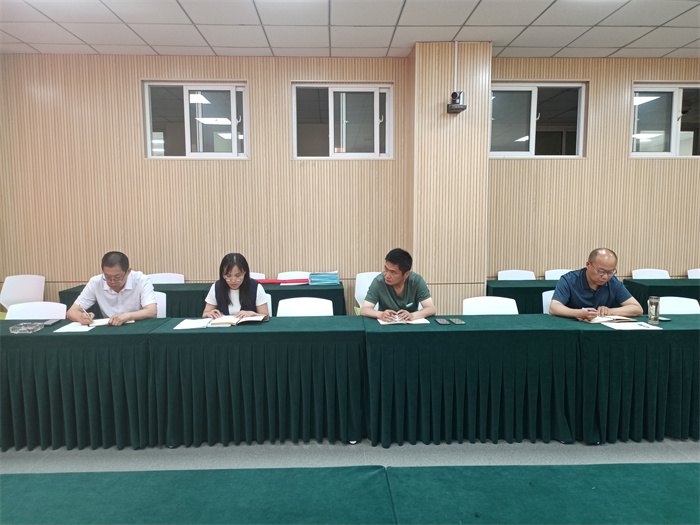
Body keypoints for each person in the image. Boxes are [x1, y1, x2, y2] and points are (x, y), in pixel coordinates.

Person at [549, 248, 643, 320]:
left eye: (611, 272)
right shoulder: (569, 280)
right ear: (588, 265)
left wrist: (609, 311)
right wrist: (579, 313)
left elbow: (637, 309)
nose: (605, 277)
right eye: (601, 271)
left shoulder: (613, 282)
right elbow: (554, 308)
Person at [67, 251, 157, 326]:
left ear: (128, 271)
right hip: (109, 329)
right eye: (107, 277)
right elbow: (71, 312)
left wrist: (127, 316)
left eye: (117, 277)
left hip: (136, 326)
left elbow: (152, 311)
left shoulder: (141, 280)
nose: (112, 282)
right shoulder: (96, 282)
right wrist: (81, 317)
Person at [360, 248, 436, 321]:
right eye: (386, 269)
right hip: (385, 324)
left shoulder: (416, 281)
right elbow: (364, 309)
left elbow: (431, 309)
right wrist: (380, 314)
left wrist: (412, 315)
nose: (387, 275)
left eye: (393, 272)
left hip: (410, 324)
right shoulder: (379, 281)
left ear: (406, 274)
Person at [202, 253, 269, 319]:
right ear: (222, 274)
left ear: (244, 272)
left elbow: (266, 316)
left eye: (238, 276)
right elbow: (205, 314)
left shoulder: (256, 288)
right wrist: (209, 314)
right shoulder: (216, 287)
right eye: (228, 276)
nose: (233, 280)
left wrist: (253, 314)